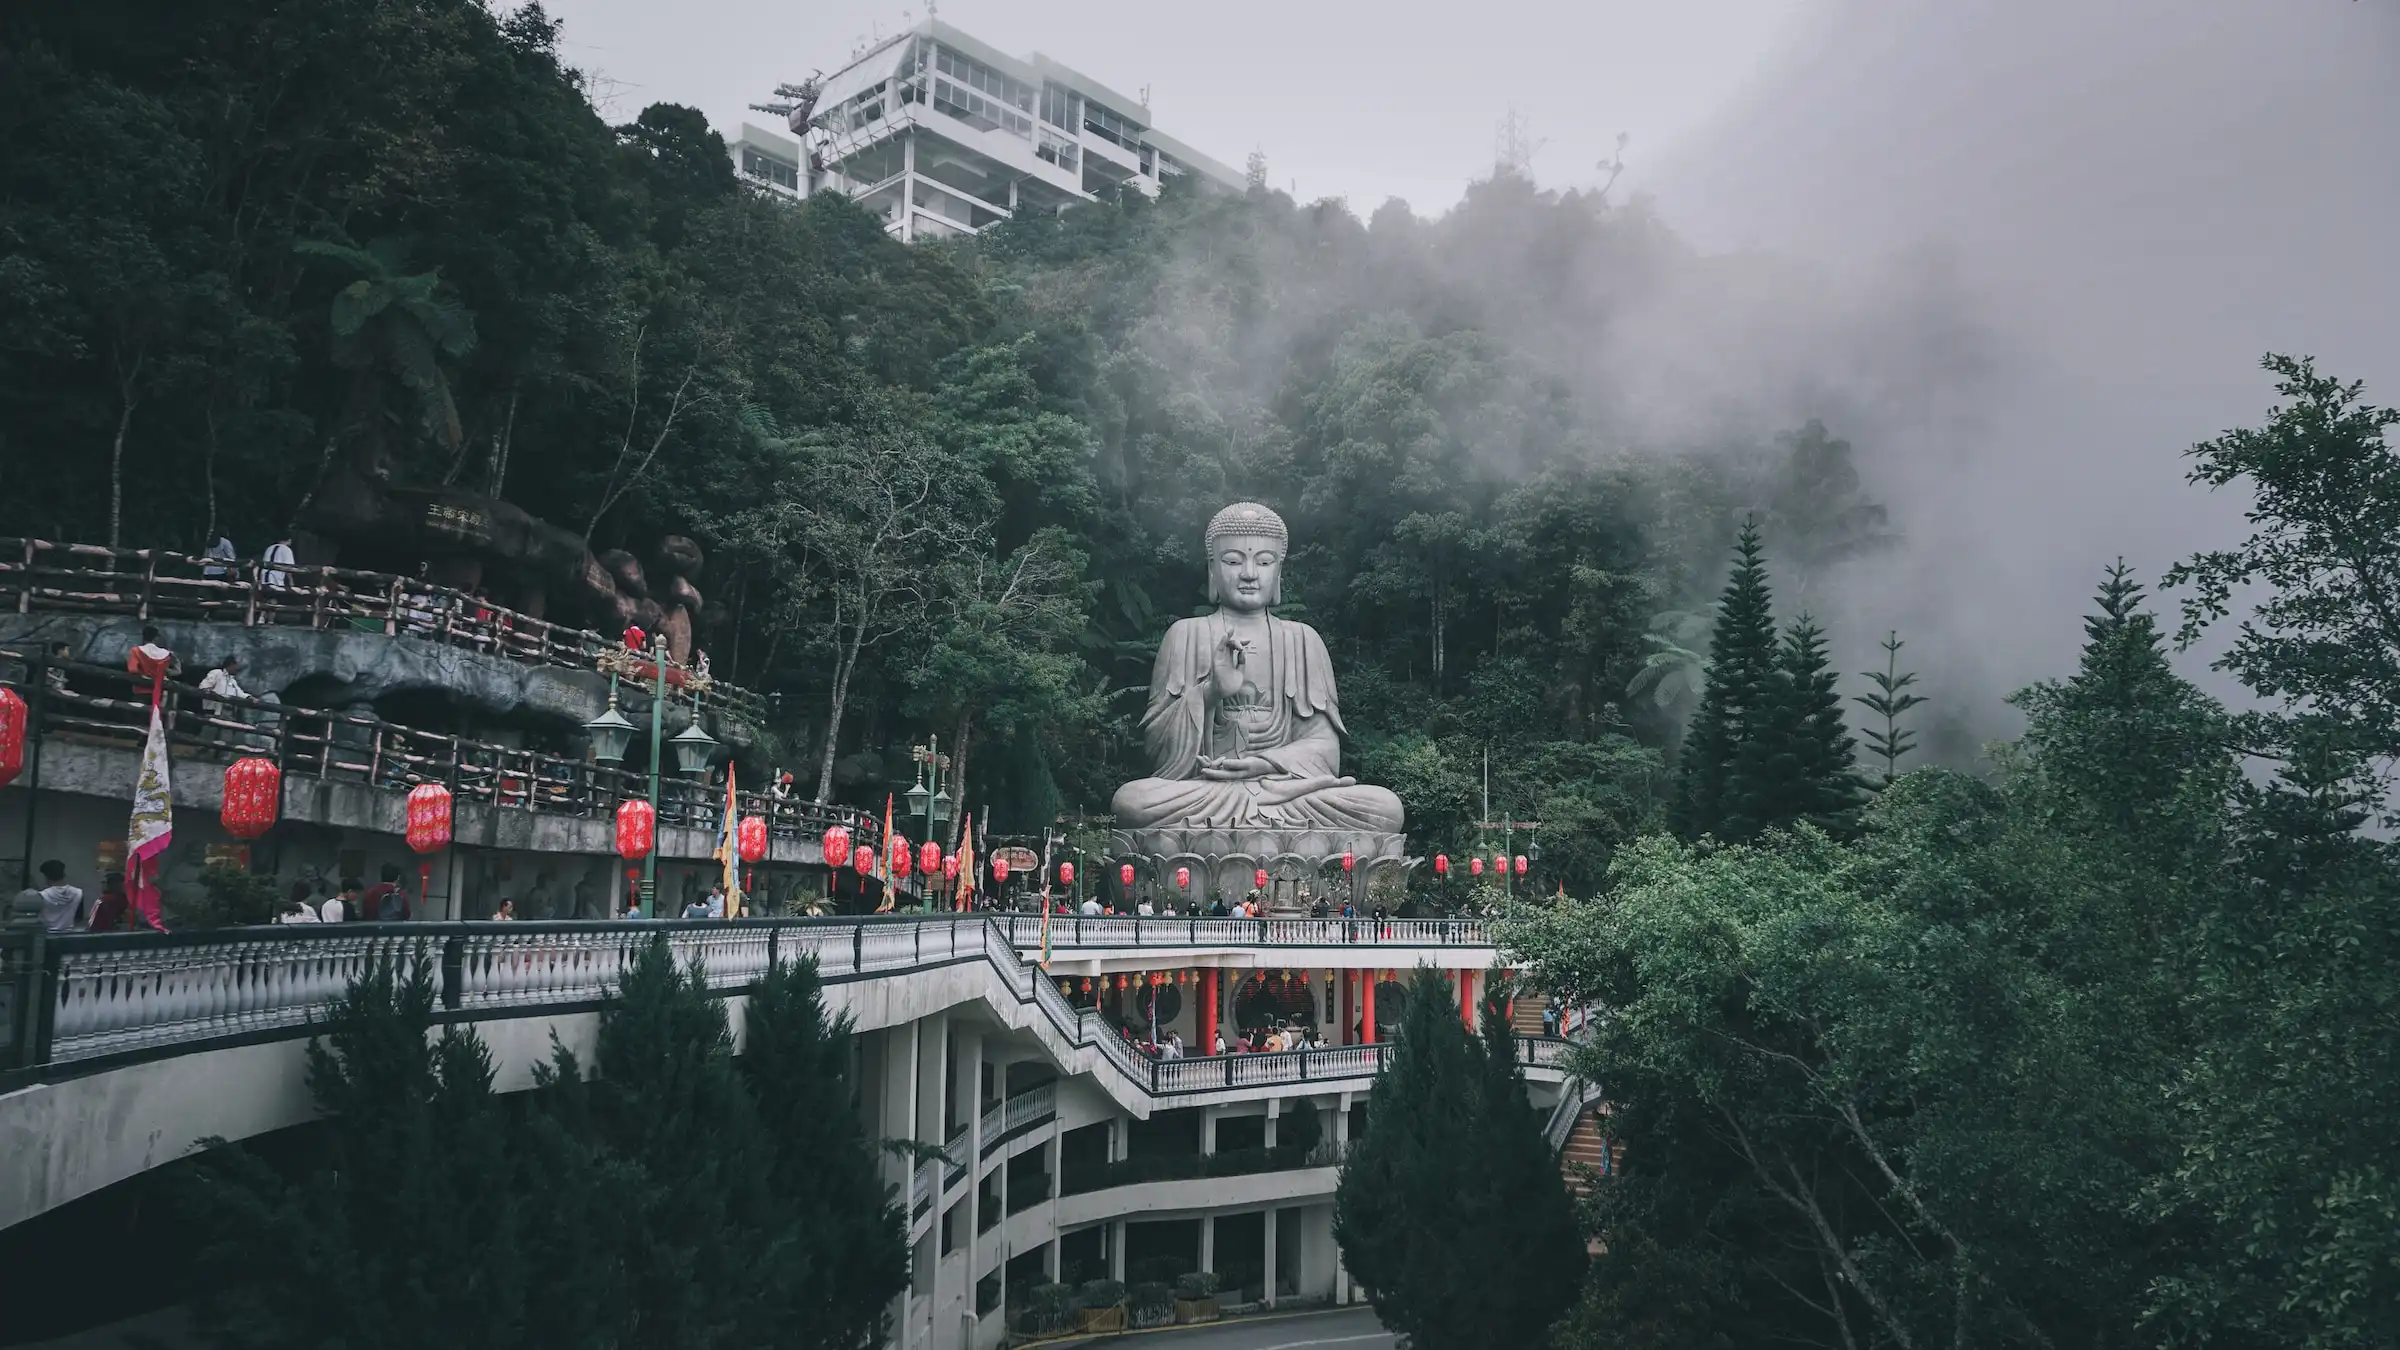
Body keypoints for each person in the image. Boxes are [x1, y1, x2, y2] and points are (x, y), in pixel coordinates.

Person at [31, 860, 84, 932]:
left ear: (47, 877)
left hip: (48, 935)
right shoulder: (78, 893)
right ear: (64, 874)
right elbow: (79, 918)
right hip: (69, 935)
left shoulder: (42, 895)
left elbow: (36, 919)